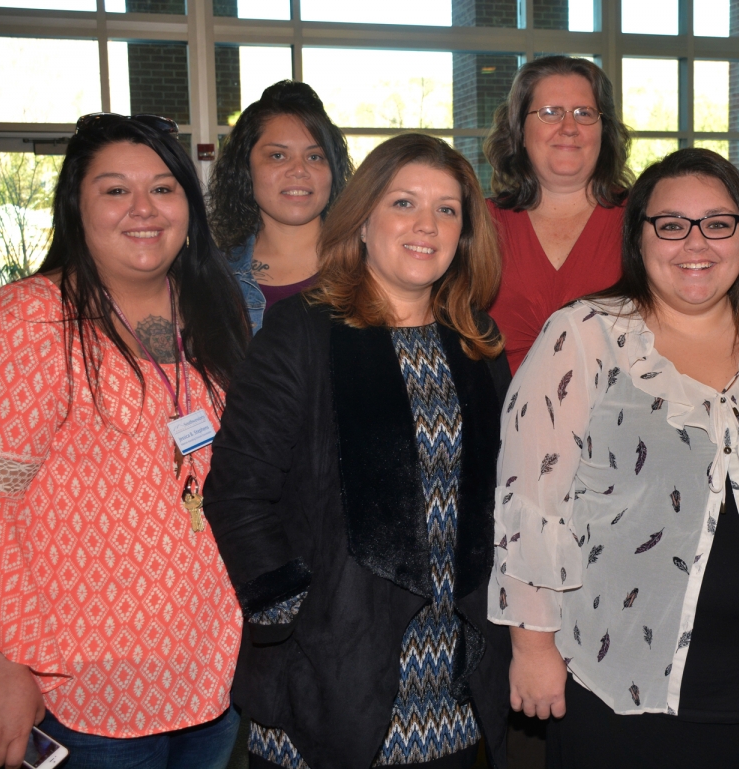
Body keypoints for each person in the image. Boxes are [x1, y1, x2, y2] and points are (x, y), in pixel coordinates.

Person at [488, 148, 739, 768]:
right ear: (639, 238)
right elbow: (531, 505)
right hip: (615, 675)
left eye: (718, 223)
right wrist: (533, 647)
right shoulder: (583, 335)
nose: (695, 243)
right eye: (671, 224)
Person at [0, 113, 249, 768]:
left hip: (204, 673)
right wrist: (2, 669)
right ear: (77, 206)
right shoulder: (29, 321)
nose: (143, 208)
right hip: (74, 687)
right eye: (114, 190)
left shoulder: (201, 313)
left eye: (164, 188)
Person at [204, 134, 513, 769]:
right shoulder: (304, 333)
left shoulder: (477, 341)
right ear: (364, 220)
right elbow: (238, 489)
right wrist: (294, 614)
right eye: (404, 203)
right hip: (332, 665)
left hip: (452, 675)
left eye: (447, 210)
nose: (426, 225)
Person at [483, 55, 633, 373]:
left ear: (603, 130)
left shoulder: (643, 219)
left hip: (618, 418)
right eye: (550, 112)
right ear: (520, 130)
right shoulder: (481, 224)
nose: (569, 127)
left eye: (584, 113)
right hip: (499, 416)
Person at [208, 80, 354, 334]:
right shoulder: (214, 278)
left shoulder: (371, 268)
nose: (299, 170)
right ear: (245, 167)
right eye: (278, 155)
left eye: (314, 157)